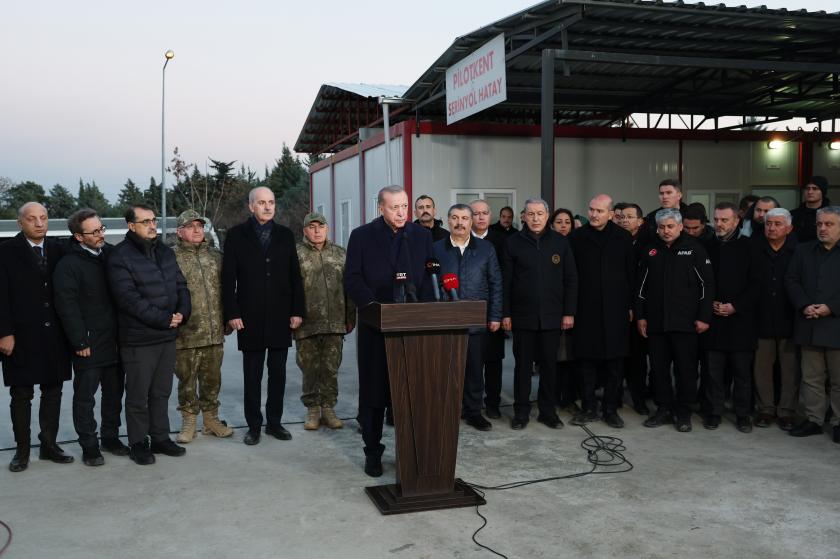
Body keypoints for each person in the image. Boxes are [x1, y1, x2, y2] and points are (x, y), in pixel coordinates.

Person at [344, 185, 434, 477]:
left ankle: (411, 452)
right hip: (375, 326)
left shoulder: (421, 235)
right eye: (395, 207)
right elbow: (352, 278)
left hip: (413, 326)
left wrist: (429, 307)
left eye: (404, 206)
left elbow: (430, 271)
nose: (401, 212)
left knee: (409, 393)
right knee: (374, 392)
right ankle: (373, 451)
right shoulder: (361, 236)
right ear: (380, 208)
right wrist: (371, 306)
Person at [108, 204, 191, 465]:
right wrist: (165, 319)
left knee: (161, 392)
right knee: (138, 396)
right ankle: (138, 442)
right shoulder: (120, 256)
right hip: (139, 339)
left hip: (167, 336)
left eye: (153, 220)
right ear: (131, 226)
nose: (152, 225)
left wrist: (182, 313)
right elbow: (128, 299)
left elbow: (181, 285)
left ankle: (160, 437)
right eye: (145, 222)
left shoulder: (165, 252)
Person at [222, 187, 305, 445]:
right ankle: (254, 426)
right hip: (250, 316)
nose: (268, 207)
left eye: (271, 202)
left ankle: (274, 423)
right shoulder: (236, 236)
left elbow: (295, 276)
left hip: (281, 316)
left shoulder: (285, 235)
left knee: (278, 373)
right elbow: (228, 279)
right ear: (251, 206)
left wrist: (297, 310)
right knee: (253, 375)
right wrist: (232, 313)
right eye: (261, 203)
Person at [0, 202, 73, 472]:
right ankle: (21, 451)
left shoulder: (58, 249)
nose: (39, 223)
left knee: (53, 392)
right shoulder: (6, 252)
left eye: (43, 218)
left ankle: (49, 445)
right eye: (32, 219)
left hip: (54, 336)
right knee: (22, 394)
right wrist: (4, 333)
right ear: (20, 223)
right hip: (20, 337)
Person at [53, 208, 127, 467]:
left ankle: (110, 437)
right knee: (85, 397)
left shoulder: (110, 255)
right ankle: (89, 445)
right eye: (94, 231)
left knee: (114, 394)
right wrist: (79, 341)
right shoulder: (69, 265)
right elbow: (66, 306)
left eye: (101, 228)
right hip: (89, 343)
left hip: (116, 340)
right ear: (78, 236)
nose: (100, 235)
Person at [636, 208, 714, 432]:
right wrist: (641, 316)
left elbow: (707, 286)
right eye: (662, 227)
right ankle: (663, 409)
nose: (666, 231)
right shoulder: (650, 250)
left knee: (686, 371)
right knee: (659, 370)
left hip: (686, 325)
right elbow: (640, 288)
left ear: (680, 226)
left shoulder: (695, 250)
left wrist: (703, 317)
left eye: (670, 226)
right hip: (657, 324)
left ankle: (683, 412)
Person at [503, 198, 577, 430]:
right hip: (522, 316)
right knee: (522, 367)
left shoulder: (560, 243)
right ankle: (521, 412)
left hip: (553, 317)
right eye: (530, 214)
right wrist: (505, 313)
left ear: (547, 216)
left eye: (540, 214)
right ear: (523, 216)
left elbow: (571, 279)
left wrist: (569, 312)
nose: (535, 218)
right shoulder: (512, 242)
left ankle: (548, 411)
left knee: (549, 366)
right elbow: (505, 282)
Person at [569, 195, 635, 428]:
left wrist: (630, 306)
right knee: (586, 362)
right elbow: (571, 276)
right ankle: (589, 408)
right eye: (591, 209)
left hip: (616, 311)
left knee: (615, 363)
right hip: (585, 310)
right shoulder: (577, 238)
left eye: (599, 211)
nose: (594, 215)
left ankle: (610, 409)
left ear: (611, 214)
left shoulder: (623, 238)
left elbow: (631, 275)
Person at [434, 204, 502, 431]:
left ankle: (474, 412)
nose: (459, 222)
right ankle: (447, 411)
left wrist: (494, 316)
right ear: (448, 220)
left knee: (474, 369)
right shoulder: (436, 249)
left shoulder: (486, 249)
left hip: (476, 320)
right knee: (448, 369)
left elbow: (496, 283)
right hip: (446, 320)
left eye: (464, 218)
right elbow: (428, 283)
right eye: (454, 218)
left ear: (471, 222)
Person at [172, 209, 233, 443]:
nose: (197, 230)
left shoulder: (216, 256)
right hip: (186, 333)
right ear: (179, 232)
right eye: (191, 226)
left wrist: (228, 317)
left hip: (214, 331)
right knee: (187, 380)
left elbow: (228, 290)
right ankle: (189, 421)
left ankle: (211, 420)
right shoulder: (171, 257)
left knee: (212, 379)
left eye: (200, 225)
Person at [295, 212, 356, 431]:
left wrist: (350, 316)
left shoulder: (340, 254)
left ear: (327, 228)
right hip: (306, 323)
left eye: (321, 226)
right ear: (304, 230)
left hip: (335, 322)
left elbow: (349, 287)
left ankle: (328, 408)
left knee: (330, 367)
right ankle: (312, 409)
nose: (317, 230)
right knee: (309, 367)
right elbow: (289, 289)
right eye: (312, 227)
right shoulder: (295, 254)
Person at [785, 206, 840, 444]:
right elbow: (792, 279)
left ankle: (838, 422)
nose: (823, 228)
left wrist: (831, 307)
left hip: (836, 324)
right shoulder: (803, 250)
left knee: (839, 380)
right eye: (819, 224)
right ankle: (814, 419)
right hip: (809, 322)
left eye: (829, 224)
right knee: (811, 377)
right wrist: (804, 304)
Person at [702, 202, 759, 433]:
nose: (719, 224)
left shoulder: (750, 247)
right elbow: (701, 281)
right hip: (713, 319)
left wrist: (735, 306)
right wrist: (711, 303)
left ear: (736, 221)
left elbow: (757, 284)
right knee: (713, 373)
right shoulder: (707, 246)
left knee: (741, 374)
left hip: (740, 321)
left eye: (724, 220)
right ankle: (714, 412)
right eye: (716, 219)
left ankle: (742, 414)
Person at [752, 208, 798, 431]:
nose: (772, 227)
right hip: (761, 318)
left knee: (789, 370)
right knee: (762, 369)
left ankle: (787, 411)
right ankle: (766, 409)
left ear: (789, 228)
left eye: (778, 224)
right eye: (769, 223)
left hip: (790, 320)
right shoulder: (754, 249)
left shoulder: (798, 251)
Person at [470, 199, 508, 419]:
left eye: (485, 213)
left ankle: (492, 403)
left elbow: (503, 280)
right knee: (471, 362)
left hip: (493, 310)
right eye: (476, 213)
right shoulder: (461, 240)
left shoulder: (502, 241)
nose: (481, 217)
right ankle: (470, 404)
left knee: (493, 361)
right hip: (470, 311)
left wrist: (501, 313)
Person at [614, 202, 650, 414]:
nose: (624, 220)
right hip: (619, 308)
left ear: (640, 221)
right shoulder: (614, 240)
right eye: (621, 217)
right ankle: (615, 396)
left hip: (641, 307)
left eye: (629, 217)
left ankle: (639, 398)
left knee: (638, 359)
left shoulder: (649, 244)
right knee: (618, 357)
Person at [549, 207, 578, 413]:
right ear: (552, 224)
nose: (563, 226)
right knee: (556, 357)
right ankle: (553, 395)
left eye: (567, 222)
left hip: (574, 308)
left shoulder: (577, 244)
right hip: (553, 309)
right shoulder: (549, 243)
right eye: (559, 222)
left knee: (572, 357)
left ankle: (569, 396)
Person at [640, 179, 688, 244]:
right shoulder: (651, 217)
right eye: (661, 193)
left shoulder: (689, 215)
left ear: (679, 195)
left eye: (669, 193)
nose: (664, 197)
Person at [791, 176, 831, 243]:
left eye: (815, 189)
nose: (810, 192)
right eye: (807, 188)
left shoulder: (831, 215)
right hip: (797, 251)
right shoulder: (793, 214)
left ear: (822, 192)